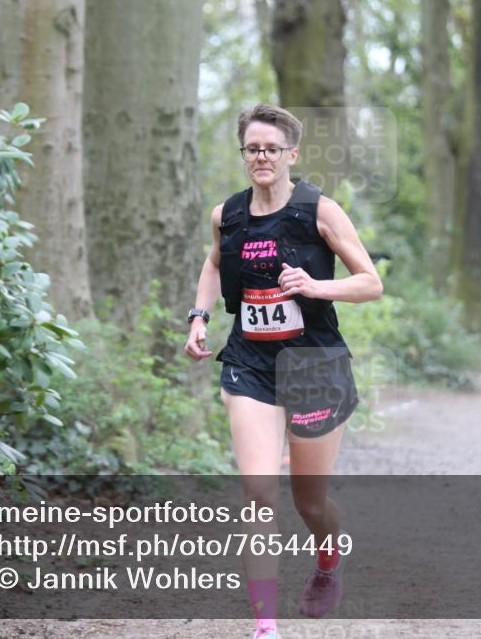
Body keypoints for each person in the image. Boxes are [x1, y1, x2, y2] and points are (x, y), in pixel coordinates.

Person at [184, 104, 383, 639]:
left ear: (292, 154)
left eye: (272, 149)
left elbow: (370, 282)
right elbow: (214, 262)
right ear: (243, 154)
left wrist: (317, 286)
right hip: (250, 363)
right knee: (258, 491)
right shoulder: (227, 214)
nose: (262, 157)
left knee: (308, 501)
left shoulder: (320, 211)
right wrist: (200, 316)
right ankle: (265, 625)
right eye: (253, 148)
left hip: (315, 363)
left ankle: (328, 554)